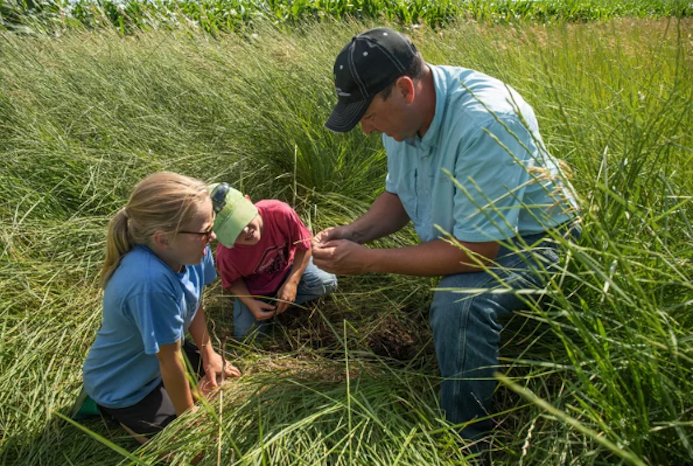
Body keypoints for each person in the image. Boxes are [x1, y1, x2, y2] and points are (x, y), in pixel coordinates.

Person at [313, 28, 579, 443]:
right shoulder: (403, 120)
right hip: (479, 235)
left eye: (368, 115)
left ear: (405, 89)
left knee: (458, 304)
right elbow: (400, 195)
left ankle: (466, 441)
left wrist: (370, 262)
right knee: (454, 297)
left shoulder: (487, 121)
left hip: (538, 240)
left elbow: (478, 252)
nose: (366, 129)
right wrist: (353, 232)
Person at [82, 172, 241, 443]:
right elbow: (170, 360)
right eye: (205, 231)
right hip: (126, 385)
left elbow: (194, 302)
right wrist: (189, 421)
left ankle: (181, 400)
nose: (212, 236)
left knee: (229, 384)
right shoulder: (149, 283)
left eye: (211, 225)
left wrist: (209, 354)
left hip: (161, 360)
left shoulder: (192, 250)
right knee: (194, 454)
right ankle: (114, 409)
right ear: (163, 239)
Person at [211, 183, 337, 339]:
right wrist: (251, 303)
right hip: (255, 291)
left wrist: (292, 283)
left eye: (243, 219)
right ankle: (269, 308)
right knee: (247, 336)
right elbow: (232, 282)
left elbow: (304, 244)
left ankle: (282, 304)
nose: (245, 230)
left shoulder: (278, 212)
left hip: (288, 268)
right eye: (233, 231)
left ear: (248, 201)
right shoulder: (227, 254)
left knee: (326, 282)